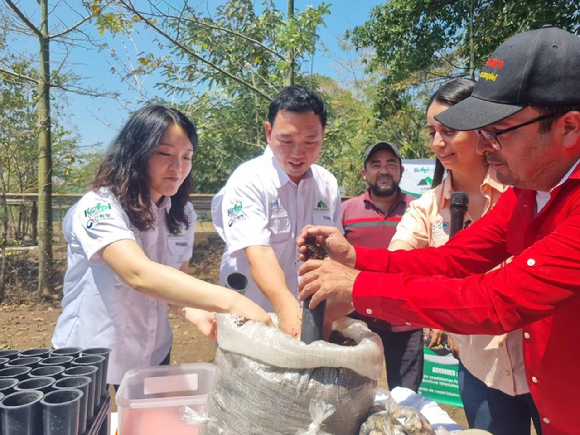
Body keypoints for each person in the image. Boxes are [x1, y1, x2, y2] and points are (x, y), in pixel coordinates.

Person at [297, 26, 580, 435]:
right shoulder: (529, 194)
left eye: (496, 132)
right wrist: (358, 259)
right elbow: (453, 258)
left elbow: (495, 300)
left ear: (568, 128)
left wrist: (357, 286)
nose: (483, 147)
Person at [52, 105, 271, 388]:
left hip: (152, 357)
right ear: (136, 153)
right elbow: (139, 274)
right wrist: (232, 301)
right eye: (165, 154)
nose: (178, 167)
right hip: (90, 361)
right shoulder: (99, 207)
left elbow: (173, 283)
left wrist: (197, 313)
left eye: (187, 156)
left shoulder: (182, 213)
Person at [389, 78, 540, 434]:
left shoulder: (527, 195)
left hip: (545, 363)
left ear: (481, 128)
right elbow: (398, 263)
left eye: (450, 130)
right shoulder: (426, 209)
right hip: (481, 372)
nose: (438, 143)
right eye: (432, 132)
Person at [212, 86, 342, 338]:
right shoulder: (248, 180)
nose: (298, 153)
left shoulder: (327, 185)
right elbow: (258, 253)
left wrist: (320, 316)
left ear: (323, 135)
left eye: (310, 141)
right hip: (250, 323)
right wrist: (289, 311)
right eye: (286, 141)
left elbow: (330, 256)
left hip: (307, 321)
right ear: (269, 133)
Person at [342, 141, 422, 391]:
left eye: (391, 164)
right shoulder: (346, 211)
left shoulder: (420, 210)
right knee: (354, 393)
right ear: (364, 173)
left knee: (406, 399)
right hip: (358, 321)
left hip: (407, 322)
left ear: (401, 171)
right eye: (376, 164)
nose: (384, 170)